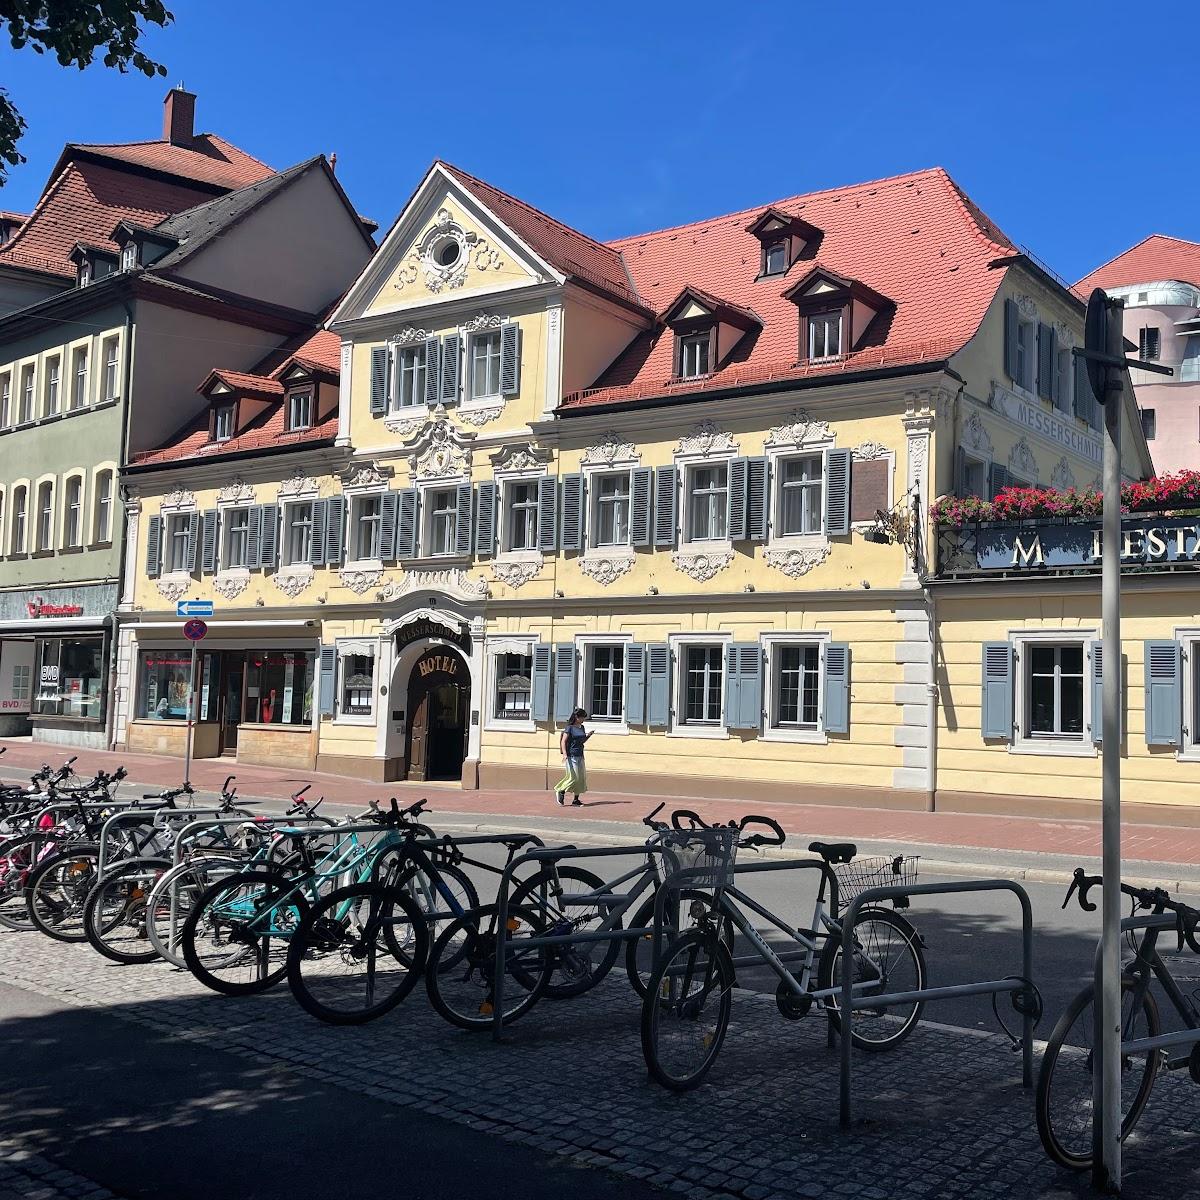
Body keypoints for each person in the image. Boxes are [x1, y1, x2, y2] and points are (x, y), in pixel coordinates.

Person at [555, 708, 592, 806]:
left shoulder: (582, 727)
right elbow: (563, 741)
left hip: (580, 755)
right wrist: (565, 754)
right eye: (582, 717)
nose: (584, 719)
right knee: (573, 777)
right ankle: (561, 790)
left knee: (580, 778)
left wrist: (588, 736)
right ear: (576, 717)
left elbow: (582, 741)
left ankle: (576, 799)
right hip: (571, 756)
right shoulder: (569, 728)